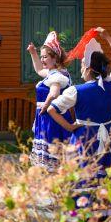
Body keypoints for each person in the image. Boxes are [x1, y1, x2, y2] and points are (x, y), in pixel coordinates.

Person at [47, 27, 111, 222]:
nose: (81, 68)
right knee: (104, 179)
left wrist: (70, 126)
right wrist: (108, 37)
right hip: (107, 139)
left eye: (82, 64)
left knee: (85, 181)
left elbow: (53, 109)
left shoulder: (77, 91)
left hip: (85, 139)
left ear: (89, 69)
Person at [26, 31, 73, 170]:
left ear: (55, 58)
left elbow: (54, 93)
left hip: (51, 119)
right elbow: (39, 70)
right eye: (41, 56)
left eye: (45, 57)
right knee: (50, 160)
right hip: (48, 117)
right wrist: (33, 53)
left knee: (52, 160)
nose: (42, 59)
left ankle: (53, 179)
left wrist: (44, 107)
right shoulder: (53, 72)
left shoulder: (57, 75)